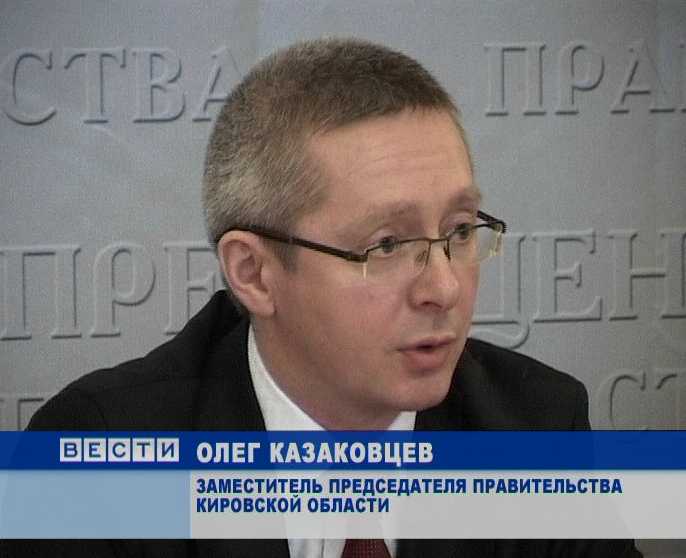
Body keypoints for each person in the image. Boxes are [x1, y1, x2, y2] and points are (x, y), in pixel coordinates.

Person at [1, 38, 641, 558]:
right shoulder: (98, 460)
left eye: (459, 232)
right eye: (386, 245)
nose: (444, 288)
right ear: (254, 274)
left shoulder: (535, 428)